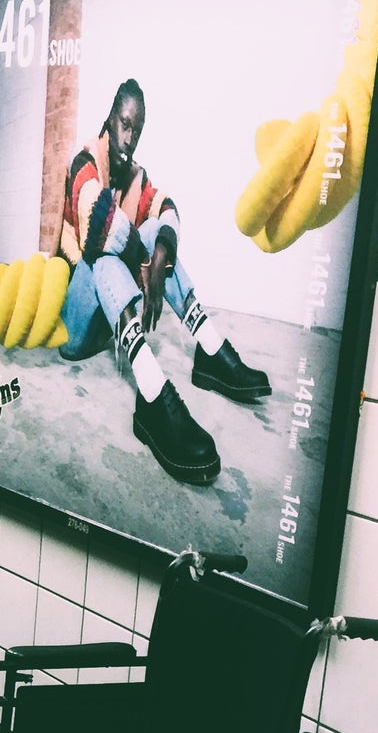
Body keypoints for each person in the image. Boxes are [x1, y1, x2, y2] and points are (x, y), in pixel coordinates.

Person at [55, 78, 272, 487]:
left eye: (136, 129)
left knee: (156, 228)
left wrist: (160, 253)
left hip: (111, 316)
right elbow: (98, 223)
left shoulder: (137, 175)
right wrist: (145, 256)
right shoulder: (84, 161)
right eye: (123, 123)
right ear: (110, 119)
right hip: (78, 317)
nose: (128, 137)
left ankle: (209, 349)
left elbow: (168, 208)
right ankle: (152, 395)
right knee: (107, 253)